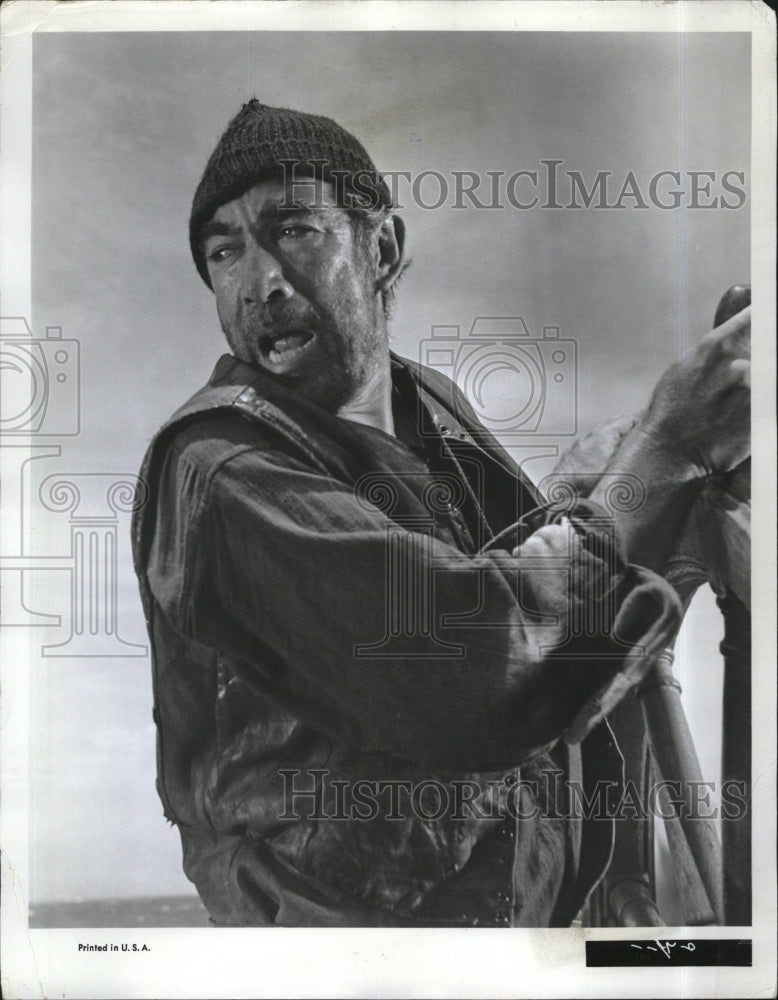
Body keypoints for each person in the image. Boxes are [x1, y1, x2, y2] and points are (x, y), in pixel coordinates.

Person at [131, 100, 751, 927]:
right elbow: (474, 661)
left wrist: (622, 460)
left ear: (381, 247)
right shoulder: (220, 471)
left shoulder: (427, 406)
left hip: (529, 926)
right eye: (224, 251)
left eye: (294, 230)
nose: (260, 281)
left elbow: (515, 575)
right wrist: (665, 450)